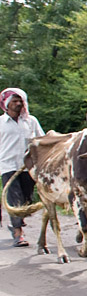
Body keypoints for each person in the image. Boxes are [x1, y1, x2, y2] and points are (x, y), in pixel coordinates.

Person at [0, 88, 44, 246]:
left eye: (20, 101)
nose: (18, 104)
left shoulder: (31, 121)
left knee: (26, 199)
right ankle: (18, 233)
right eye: (14, 101)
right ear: (6, 104)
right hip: (7, 166)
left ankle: (16, 222)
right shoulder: (1, 123)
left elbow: (41, 140)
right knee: (15, 199)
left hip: (28, 167)